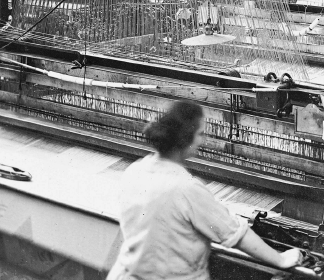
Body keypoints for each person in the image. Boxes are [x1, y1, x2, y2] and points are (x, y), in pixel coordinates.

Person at [107, 101, 302, 280]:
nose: (204, 140)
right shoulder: (186, 188)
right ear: (185, 138)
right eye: (200, 133)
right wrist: (281, 260)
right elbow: (235, 234)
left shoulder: (135, 170)